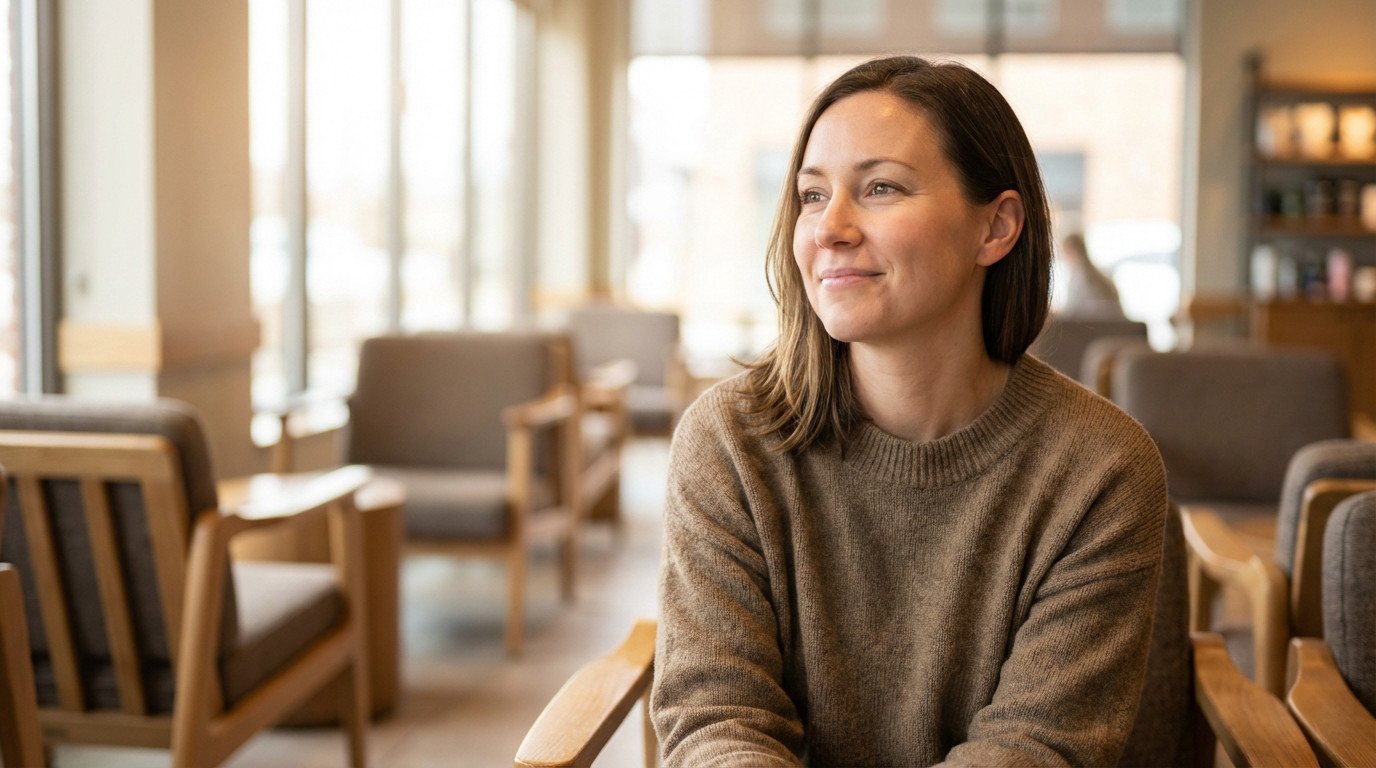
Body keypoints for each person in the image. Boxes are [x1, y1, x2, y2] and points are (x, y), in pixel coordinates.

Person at [651, 55, 1170, 766]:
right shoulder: (730, 441)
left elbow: (1035, 747)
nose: (828, 228)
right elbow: (719, 717)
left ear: (996, 228)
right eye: (811, 196)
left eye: (880, 188)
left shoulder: (1100, 468)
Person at [1055, 231, 1126, 318]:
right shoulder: (1098, 275)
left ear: (1072, 251)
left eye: (1065, 252)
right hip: (1114, 327)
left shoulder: (1080, 277)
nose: (1064, 257)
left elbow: (1073, 312)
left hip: (1097, 327)